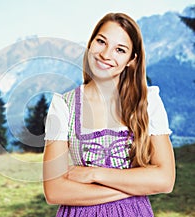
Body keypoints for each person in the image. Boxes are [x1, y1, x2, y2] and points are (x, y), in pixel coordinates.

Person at [42, 12, 176, 217]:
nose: (105, 54)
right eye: (101, 41)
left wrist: (93, 174)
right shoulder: (63, 106)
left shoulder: (148, 102)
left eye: (120, 50)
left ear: (132, 60)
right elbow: (54, 191)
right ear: (90, 43)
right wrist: (135, 187)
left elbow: (165, 180)